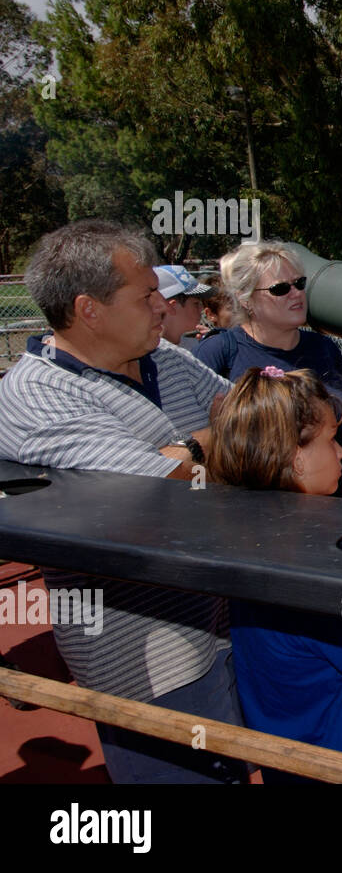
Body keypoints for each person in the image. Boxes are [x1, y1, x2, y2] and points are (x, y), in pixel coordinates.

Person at [0, 220, 243, 783]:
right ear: (89, 310)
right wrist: (198, 448)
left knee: (241, 767)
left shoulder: (162, 356)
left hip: (228, 616)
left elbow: (252, 417)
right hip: (147, 651)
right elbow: (153, 486)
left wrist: (184, 452)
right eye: (147, 294)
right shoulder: (34, 395)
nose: (164, 306)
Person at [207, 366, 342, 779]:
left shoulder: (247, 545)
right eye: (330, 440)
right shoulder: (320, 577)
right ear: (295, 459)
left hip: (293, 760)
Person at [195, 241, 342, 501]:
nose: (296, 294)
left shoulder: (325, 348)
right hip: (274, 520)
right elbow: (200, 452)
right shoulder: (219, 353)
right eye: (280, 289)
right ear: (245, 299)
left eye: (299, 284)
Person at [154, 264, 215, 351]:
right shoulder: (147, 355)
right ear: (172, 307)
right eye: (196, 304)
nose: (201, 309)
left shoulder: (197, 346)